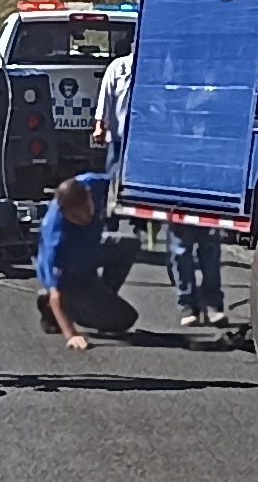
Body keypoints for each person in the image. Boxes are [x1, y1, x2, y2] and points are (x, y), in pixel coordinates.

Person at [91, 39, 224, 328]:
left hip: (177, 154)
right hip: (123, 141)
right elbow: (107, 98)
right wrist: (101, 124)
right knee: (115, 194)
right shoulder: (120, 68)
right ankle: (114, 231)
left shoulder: (165, 77)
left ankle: (211, 301)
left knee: (207, 241)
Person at [34, 173, 138, 351]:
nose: (84, 216)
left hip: (90, 249)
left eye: (86, 208)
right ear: (65, 211)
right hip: (70, 278)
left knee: (128, 245)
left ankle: (99, 300)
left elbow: (120, 180)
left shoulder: (91, 184)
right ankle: (58, 308)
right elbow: (56, 295)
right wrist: (72, 335)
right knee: (126, 319)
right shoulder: (56, 238)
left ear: (89, 195)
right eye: (76, 215)